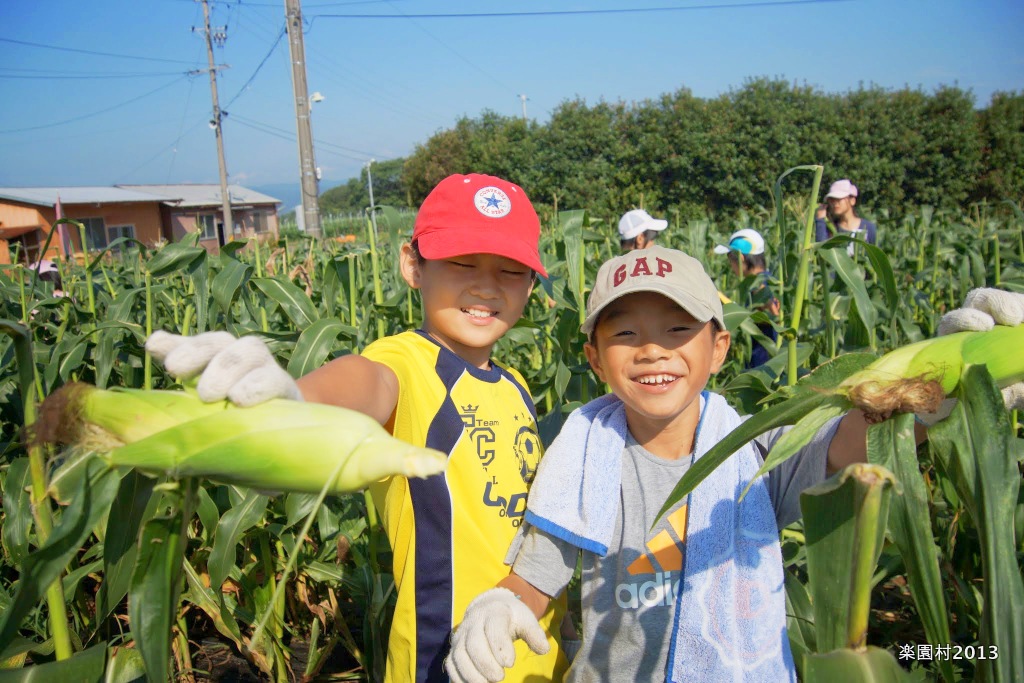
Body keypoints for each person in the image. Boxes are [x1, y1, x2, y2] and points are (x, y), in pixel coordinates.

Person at [446, 245, 982, 683]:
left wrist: (943, 383)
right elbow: (534, 580)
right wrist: (499, 608)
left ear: (720, 346)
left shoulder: (756, 451)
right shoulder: (584, 460)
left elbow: (849, 444)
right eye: (626, 334)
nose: (652, 351)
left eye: (678, 330)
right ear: (593, 358)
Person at [146, 174, 569, 683]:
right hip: (446, 660)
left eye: (509, 269)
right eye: (462, 262)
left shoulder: (516, 385)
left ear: (530, 283)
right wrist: (297, 400)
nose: (486, 285)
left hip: (538, 659)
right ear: (413, 265)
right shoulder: (408, 363)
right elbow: (364, 382)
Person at [714, 229, 780, 368]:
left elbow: (774, 310)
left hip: (764, 364)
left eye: (730, 260)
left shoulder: (760, 285)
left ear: (740, 258)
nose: (731, 267)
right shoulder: (769, 280)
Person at [815, 179, 877, 251]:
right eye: (832, 200)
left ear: (852, 201)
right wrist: (820, 219)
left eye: (839, 199)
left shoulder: (869, 228)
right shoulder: (831, 229)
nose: (835, 203)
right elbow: (822, 252)